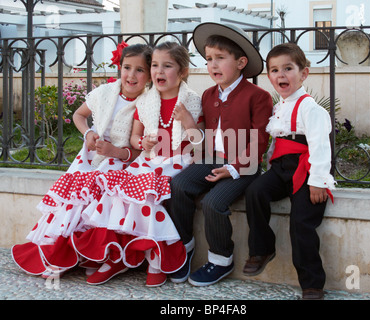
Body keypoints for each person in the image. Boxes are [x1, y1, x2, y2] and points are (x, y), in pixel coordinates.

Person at [11, 43, 152, 278]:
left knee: (101, 205)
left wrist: (116, 152)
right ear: (119, 68)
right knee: (74, 203)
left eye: (140, 70)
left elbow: (140, 151)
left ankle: (95, 253)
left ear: (148, 75)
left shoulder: (147, 104)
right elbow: (78, 114)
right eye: (127, 67)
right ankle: (60, 252)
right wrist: (87, 133)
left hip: (121, 163)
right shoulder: (105, 92)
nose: (131, 75)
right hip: (91, 156)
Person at [70, 42, 203, 287]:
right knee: (116, 191)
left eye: (167, 66)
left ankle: (156, 259)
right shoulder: (146, 101)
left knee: (147, 194)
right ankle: (115, 256)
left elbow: (198, 143)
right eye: (154, 66)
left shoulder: (191, 102)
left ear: (183, 71)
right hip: (149, 160)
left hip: (177, 162)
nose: (159, 72)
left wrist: (187, 120)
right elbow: (134, 138)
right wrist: (144, 142)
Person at [168, 23, 273, 287]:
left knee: (214, 202)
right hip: (212, 159)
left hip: (244, 167)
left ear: (240, 62)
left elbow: (260, 137)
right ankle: (184, 244)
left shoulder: (257, 96)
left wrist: (234, 168)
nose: (213, 65)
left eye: (220, 58)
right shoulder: (208, 94)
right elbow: (207, 137)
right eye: (208, 59)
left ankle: (220, 259)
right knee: (178, 184)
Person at [243, 43, 336, 300]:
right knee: (255, 192)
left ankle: (312, 284)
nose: (280, 75)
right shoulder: (279, 107)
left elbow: (320, 147)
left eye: (288, 68)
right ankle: (262, 249)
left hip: (306, 170)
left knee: (301, 224)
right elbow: (277, 142)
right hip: (281, 169)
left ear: (303, 73)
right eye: (274, 70)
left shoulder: (311, 109)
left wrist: (318, 181)